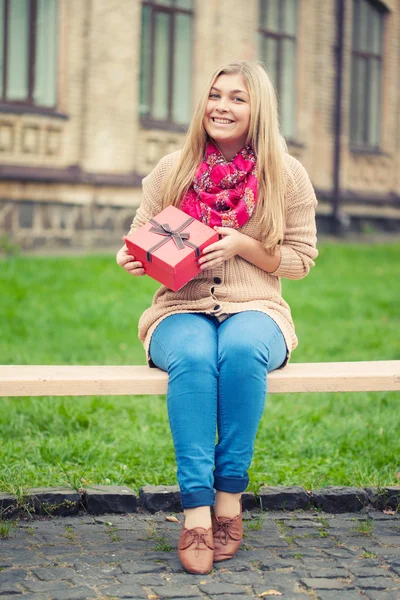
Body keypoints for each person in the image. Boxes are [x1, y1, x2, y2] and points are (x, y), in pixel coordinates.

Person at [116, 61, 318, 574]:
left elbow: (300, 260)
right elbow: (139, 236)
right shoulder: (172, 169)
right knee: (194, 353)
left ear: (259, 110)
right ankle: (196, 513)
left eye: (237, 98)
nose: (221, 107)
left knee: (241, 348)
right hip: (179, 307)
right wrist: (132, 259)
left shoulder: (286, 175)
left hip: (257, 308)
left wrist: (244, 245)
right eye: (215, 95)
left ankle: (230, 497)